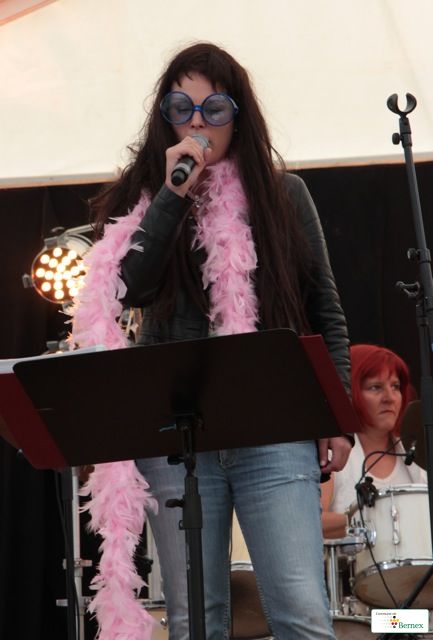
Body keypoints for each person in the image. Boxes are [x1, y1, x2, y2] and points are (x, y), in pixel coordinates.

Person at [71, 42, 352, 640]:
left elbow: (325, 311)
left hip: (273, 429)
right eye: (183, 108)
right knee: (195, 620)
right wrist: (172, 198)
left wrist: (339, 415)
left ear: (238, 117)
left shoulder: (284, 196)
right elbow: (129, 288)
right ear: (165, 119)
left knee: (302, 612)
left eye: (214, 109)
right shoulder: (143, 201)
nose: (197, 122)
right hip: (177, 435)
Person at [321, 343, 426, 540]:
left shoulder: (417, 454)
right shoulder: (332, 454)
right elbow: (311, 521)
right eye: (375, 387)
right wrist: (379, 520)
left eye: (395, 387)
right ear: (350, 392)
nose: (390, 398)